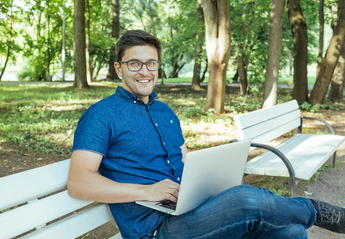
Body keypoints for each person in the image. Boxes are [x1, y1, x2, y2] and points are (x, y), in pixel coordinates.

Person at [67, 29, 345, 239]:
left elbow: (185, 162)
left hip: (189, 211)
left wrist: (210, 182)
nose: (145, 71)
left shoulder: (165, 112)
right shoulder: (101, 115)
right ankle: (315, 210)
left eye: (151, 63)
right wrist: (148, 190)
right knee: (245, 199)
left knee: (292, 232)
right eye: (134, 64)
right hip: (154, 229)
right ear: (119, 68)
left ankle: (301, 213)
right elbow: (79, 183)